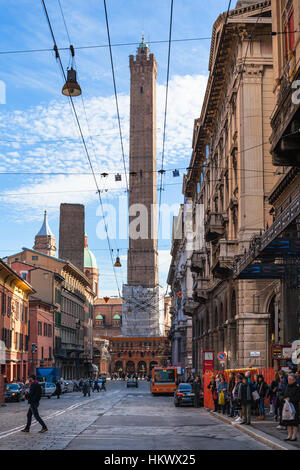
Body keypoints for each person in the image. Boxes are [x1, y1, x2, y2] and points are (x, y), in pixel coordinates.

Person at [282, 373, 300, 442]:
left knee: (294, 422)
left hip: (294, 407)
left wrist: (290, 399)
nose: (288, 380)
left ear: (294, 380)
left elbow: (298, 398)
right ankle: (289, 435)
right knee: (288, 422)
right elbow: (282, 395)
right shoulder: (287, 386)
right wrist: (283, 399)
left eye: (290, 379)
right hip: (286, 407)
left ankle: (294, 436)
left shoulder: (297, 387)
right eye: (288, 379)